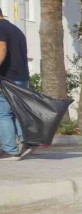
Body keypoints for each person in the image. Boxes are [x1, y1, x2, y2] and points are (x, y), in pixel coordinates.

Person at [0, 8, 32, 160]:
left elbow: (2, 49)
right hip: (22, 77)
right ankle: (27, 142)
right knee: (18, 112)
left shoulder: (0, 28)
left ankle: (10, 149)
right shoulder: (16, 30)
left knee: (3, 114)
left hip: (7, 78)